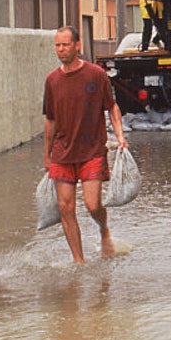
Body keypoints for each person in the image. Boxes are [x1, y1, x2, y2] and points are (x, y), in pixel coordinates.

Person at [43, 25, 129, 263]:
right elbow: (50, 120)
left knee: (92, 205)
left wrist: (120, 136)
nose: (61, 49)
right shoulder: (52, 80)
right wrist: (47, 156)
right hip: (62, 152)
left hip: (92, 150)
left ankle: (104, 230)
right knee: (65, 208)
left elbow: (111, 106)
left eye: (65, 45)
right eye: (57, 45)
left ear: (77, 46)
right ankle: (79, 262)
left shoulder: (96, 75)